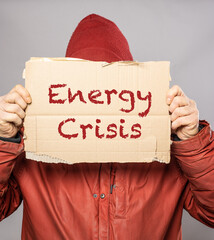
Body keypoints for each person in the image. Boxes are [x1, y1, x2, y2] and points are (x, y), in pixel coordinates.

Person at [0, 14, 213, 240]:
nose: (97, 101)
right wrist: (4, 141)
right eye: (84, 89)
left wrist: (192, 144)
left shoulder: (168, 146)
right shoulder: (32, 145)